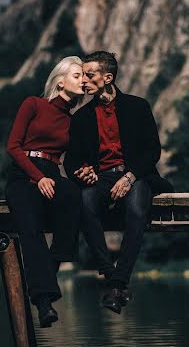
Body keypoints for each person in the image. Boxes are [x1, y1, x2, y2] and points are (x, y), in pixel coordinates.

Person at [64, 51, 173, 315]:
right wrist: (83, 171)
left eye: (90, 75)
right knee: (84, 201)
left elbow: (152, 152)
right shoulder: (80, 117)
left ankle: (117, 284)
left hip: (135, 175)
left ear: (108, 77)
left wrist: (129, 177)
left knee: (137, 209)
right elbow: (71, 161)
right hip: (100, 178)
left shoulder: (138, 106)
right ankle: (112, 275)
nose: (84, 81)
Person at [5, 56, 84, 327]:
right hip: (24, 174)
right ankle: (43, 303)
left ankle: (47, 275)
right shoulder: (33, 104)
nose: (83, 80)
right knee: (31, 230)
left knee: (74, 196)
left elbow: (74, 159)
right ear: (60, 82)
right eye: (77, 75)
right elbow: (13, 147)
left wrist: (89, 171)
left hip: (52, 174)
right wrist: (37, 178)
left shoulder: (72, 121)